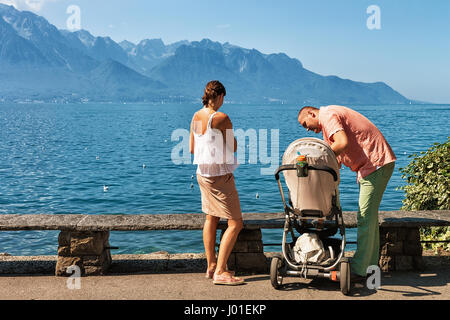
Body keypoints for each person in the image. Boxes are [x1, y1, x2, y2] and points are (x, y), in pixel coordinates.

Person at [297, 105, 396, 281]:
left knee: (365, 216)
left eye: (305, 123)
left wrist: (317, 161)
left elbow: (342, 143)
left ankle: (359, 270)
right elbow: (336, 158)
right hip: (371, 166)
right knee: (369, 218)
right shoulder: (327, 129)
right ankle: (369, 266)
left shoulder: (327, 115)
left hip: (375, 164)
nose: (307, 129)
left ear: (312, 113)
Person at [189, 80, 245, 285]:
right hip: (220, 176)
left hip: (202, 174)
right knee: (235, 223)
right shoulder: (222, 118)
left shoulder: (196, 116)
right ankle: (221, 271)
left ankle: (211, 265)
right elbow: (234, 146)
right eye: (223, 98)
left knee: (211, 218)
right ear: (220, 96)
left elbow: (193, 149)